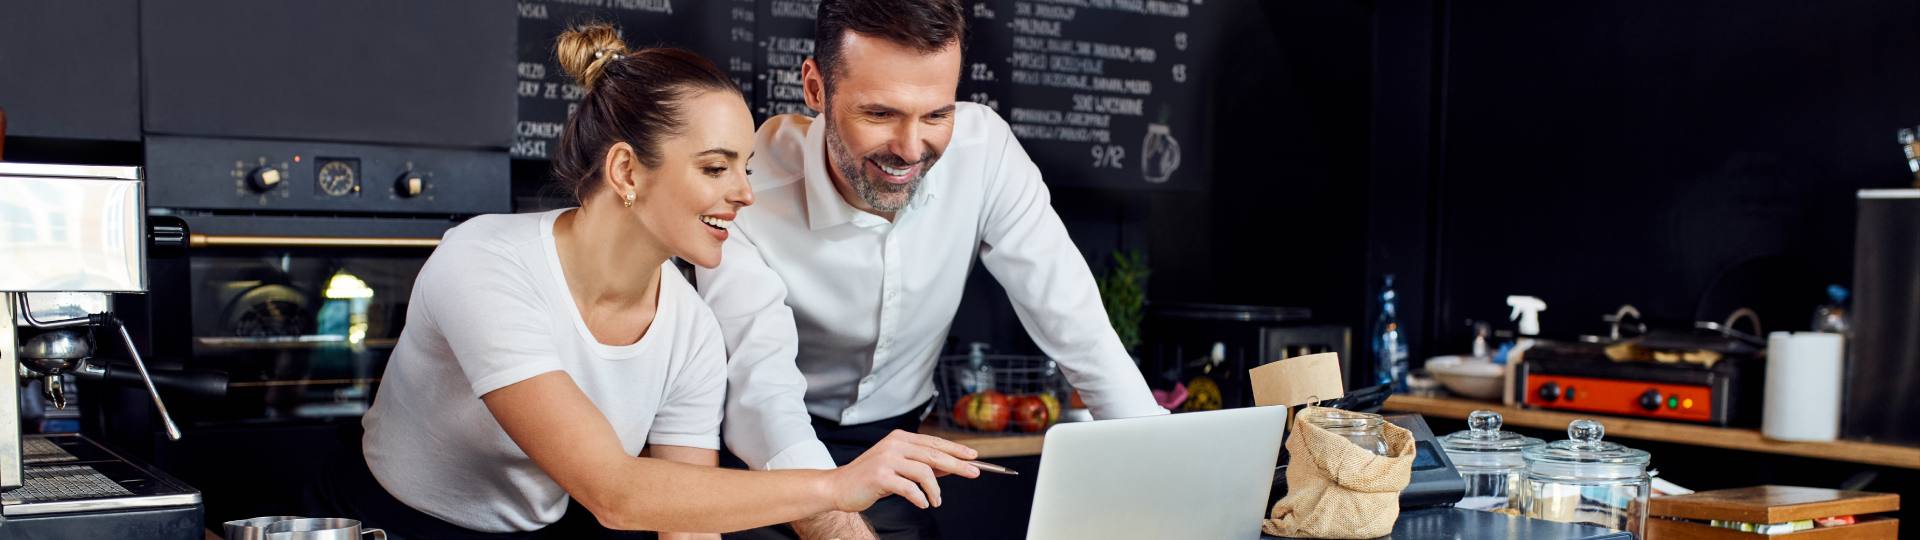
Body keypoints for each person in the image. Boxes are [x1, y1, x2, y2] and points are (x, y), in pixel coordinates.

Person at [304, 23, 982, 540]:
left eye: (747, 168)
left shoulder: (689, 330)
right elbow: (616, 491)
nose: (745, 195)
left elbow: (684, 517)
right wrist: (835, 487)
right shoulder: (484, 263)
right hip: (386, 525)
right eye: (717, 169)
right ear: (627, 172)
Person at [695, 1, 1166, 538]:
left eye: (937, 114)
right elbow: (763, 396)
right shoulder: (746, 191)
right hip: (757, 457)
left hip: (897, 450)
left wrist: (1163, 477)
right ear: (815, 88)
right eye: (880, 114)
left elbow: (1078, 326)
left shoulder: (984, 152)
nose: (910, 148)